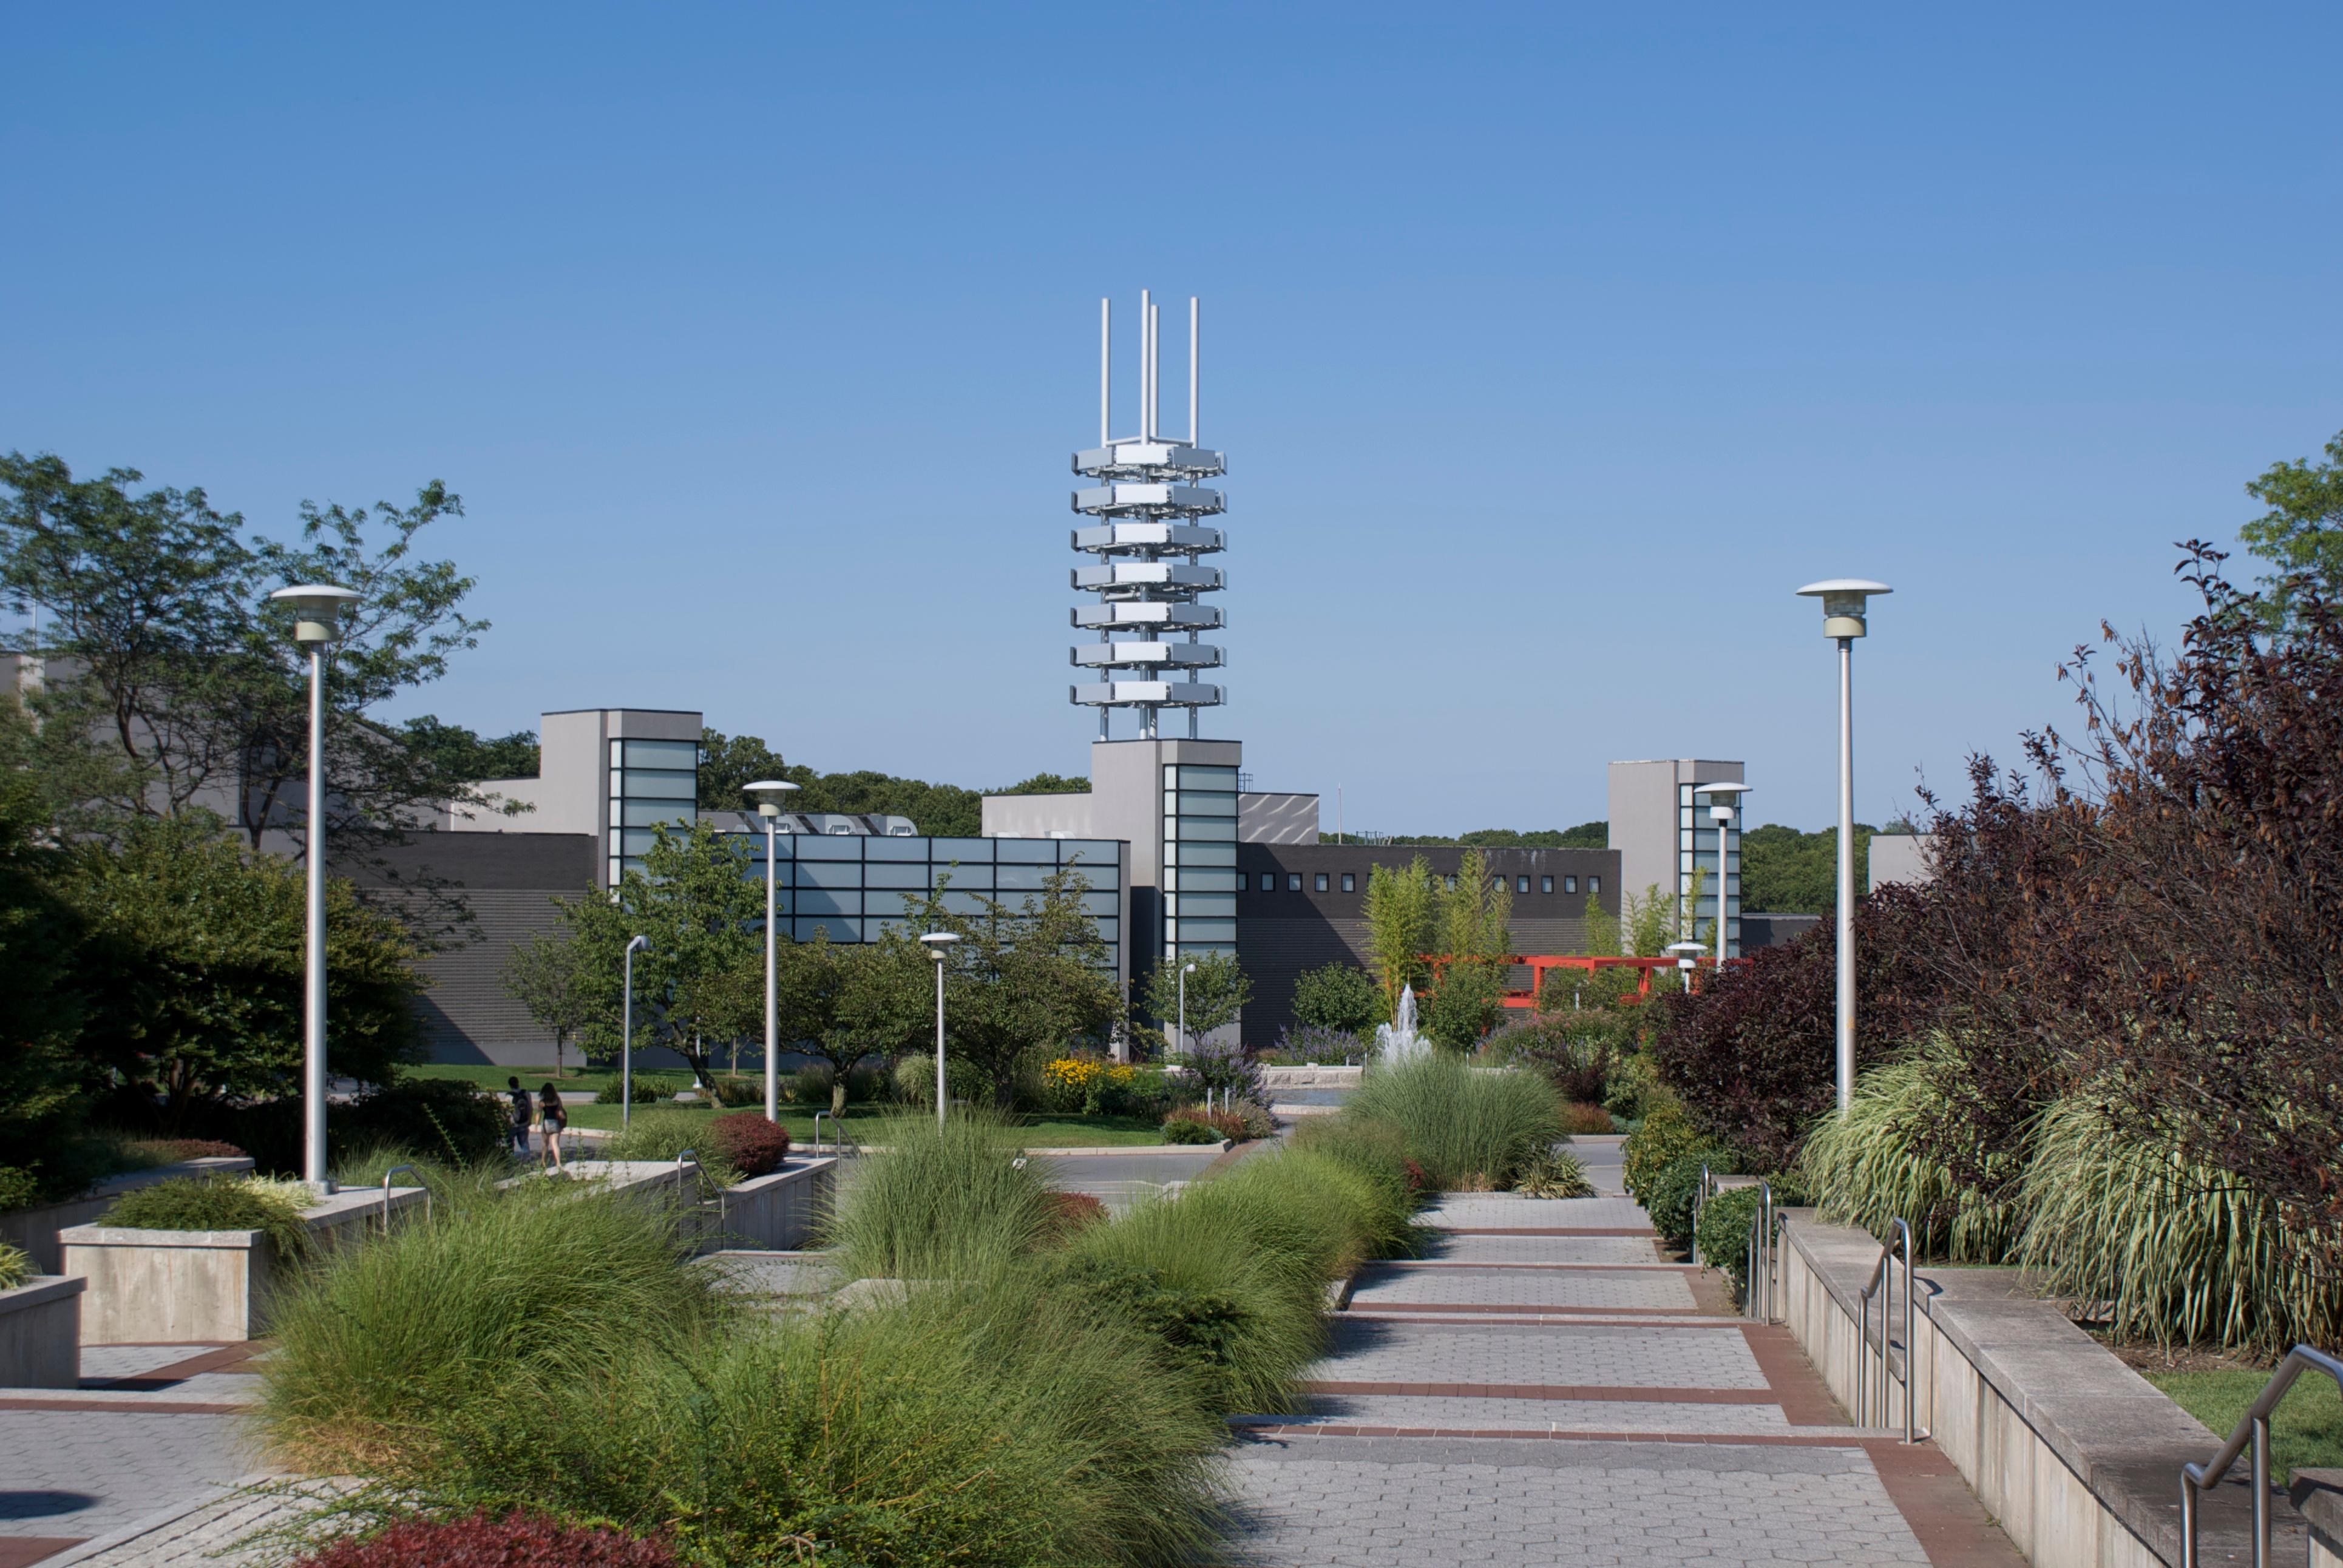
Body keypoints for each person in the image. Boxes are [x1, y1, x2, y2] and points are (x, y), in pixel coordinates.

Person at [538, 1083, 568, 1171]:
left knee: (545, 1145)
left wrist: (536, 1125)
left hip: (546, 1123)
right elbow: (561, 1111)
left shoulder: (542, 1102)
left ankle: (543, 1163)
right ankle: (558, 1163)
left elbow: (539, 1114)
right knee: (555, 1144)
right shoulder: (557, 1100)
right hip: (556, 1123)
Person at [505, 1075, 533, 1158]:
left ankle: (511, 1161)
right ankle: (527, 1160)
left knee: (510, 1144)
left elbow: (507, 1111)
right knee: (524, 1144)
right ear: (518, 1083)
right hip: (524, 1122)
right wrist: (529, 1120)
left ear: (510, 1085)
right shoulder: (526, 1093)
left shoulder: (509, 1096)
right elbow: (530, 1108)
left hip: (513, 1123)